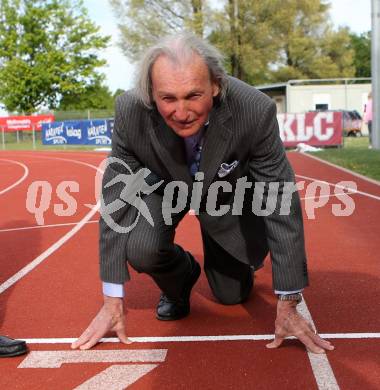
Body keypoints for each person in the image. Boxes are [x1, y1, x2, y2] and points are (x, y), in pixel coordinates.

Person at [72, 33, 334, 354]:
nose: (182, 112)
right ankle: (181, 278)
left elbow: (279, 200)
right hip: (164, 182)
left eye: (193, 95)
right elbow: (117, 199)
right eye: (168, 98)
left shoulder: (254, 110)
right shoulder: (131, 109)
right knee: (141, 248)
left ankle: (234, 264)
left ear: (216, 85)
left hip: (227, 195)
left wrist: (289, 299)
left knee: (231, 295)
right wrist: (112, 300)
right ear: (152, 94)